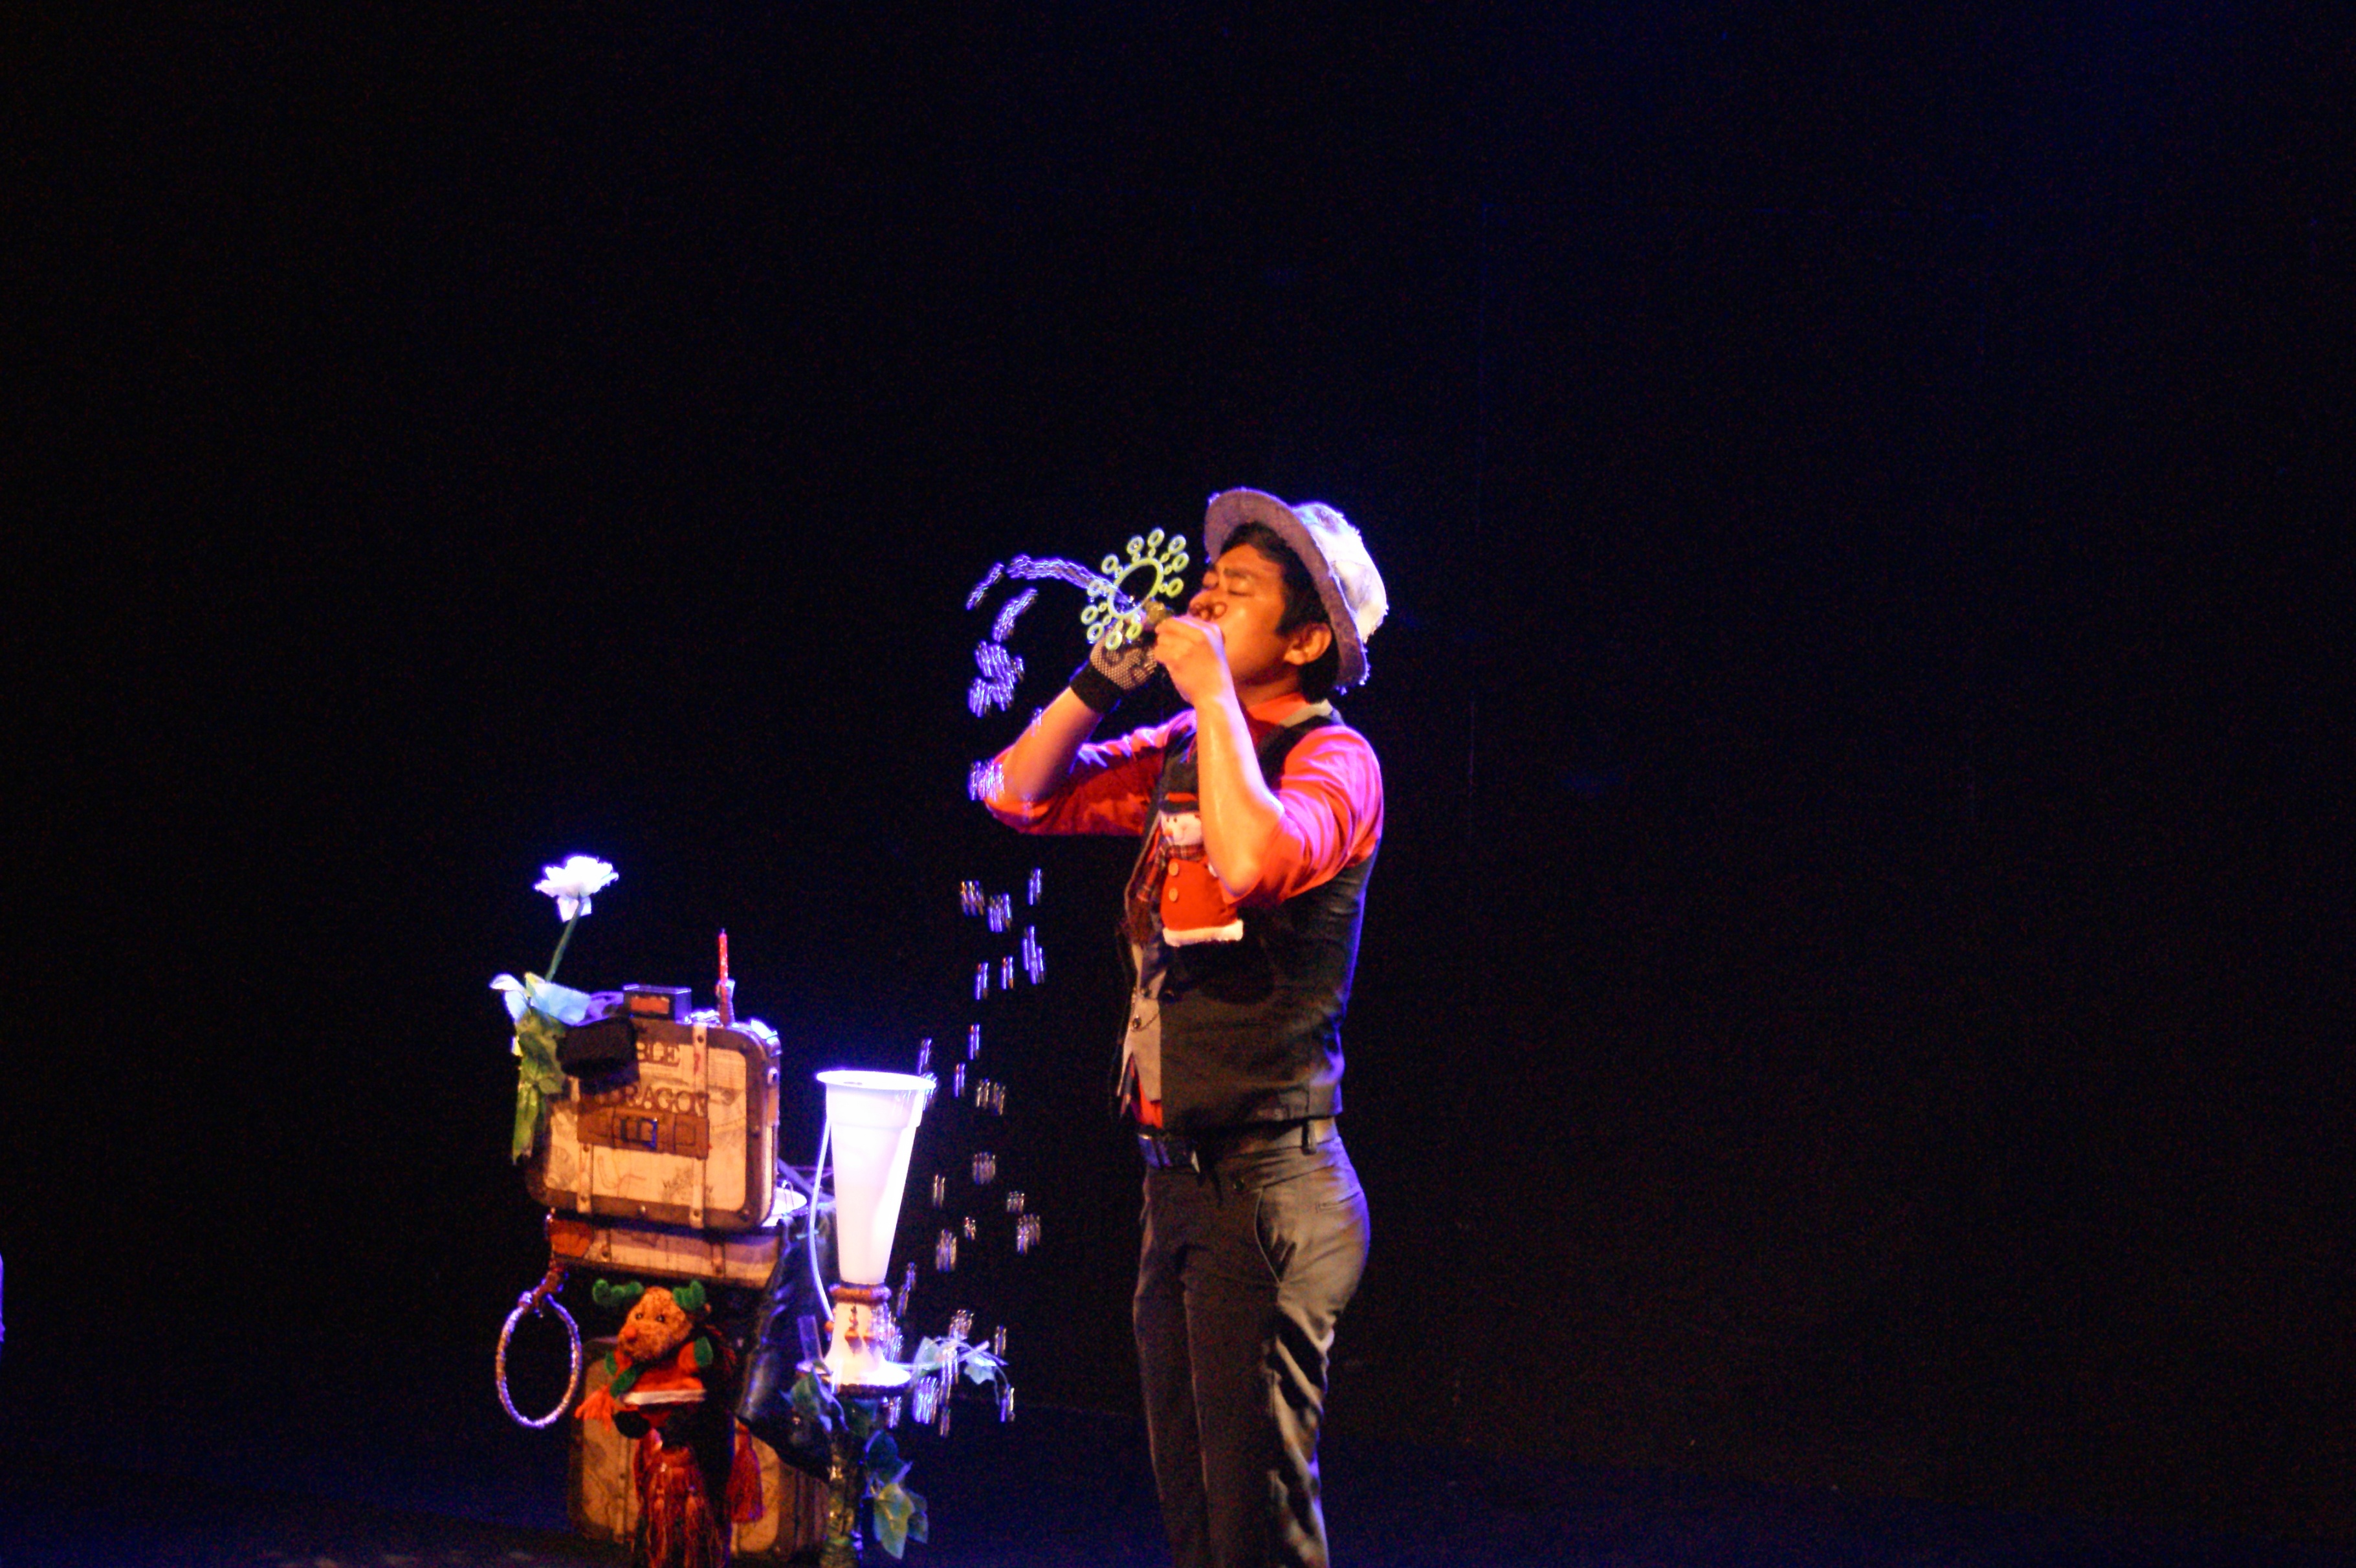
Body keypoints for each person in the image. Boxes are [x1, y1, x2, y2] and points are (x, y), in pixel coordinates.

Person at [982, 489, 1387, 1568]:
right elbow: (1017, 795)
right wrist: (1097, 682)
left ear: (1305, 642)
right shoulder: (1186, 743)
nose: (1203, 602)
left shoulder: (1334, 760)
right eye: (1207, 583)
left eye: (1236, 591)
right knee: (1198, 1524)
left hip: (1269, 1187)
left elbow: (1251, 860)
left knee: (1254, 1531)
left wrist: (1208, 692)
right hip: (1178, 1186)